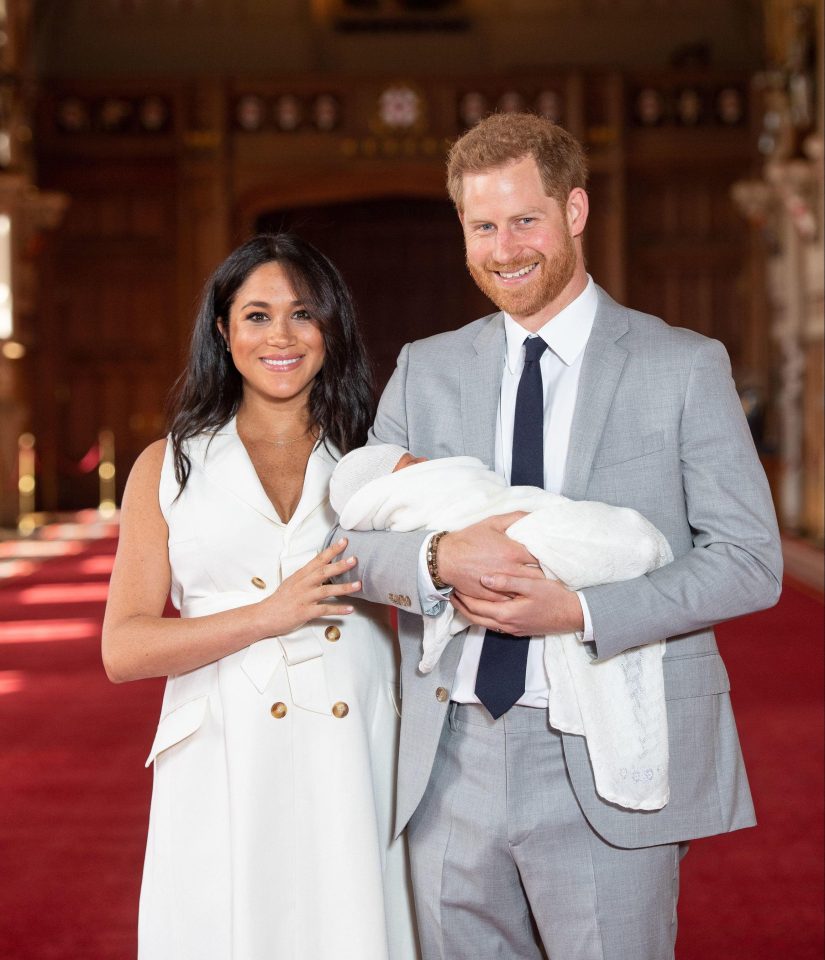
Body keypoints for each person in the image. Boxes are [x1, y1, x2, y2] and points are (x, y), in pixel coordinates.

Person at [332, 113, 783, 960]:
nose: (504, 248)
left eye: (524, 219)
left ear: (574, 211)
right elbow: (349, 540)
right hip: (447, 753)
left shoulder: (681, 364)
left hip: (605, 745)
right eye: (482, 226)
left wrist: (578, 609)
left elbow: (749, 561)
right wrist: (437, 557)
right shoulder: (425, 367)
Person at [101, 233, 419, 960]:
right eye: (256, 315)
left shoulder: (377, 458)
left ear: (330, 327)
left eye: (303, 314)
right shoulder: (169, 465)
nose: (281, 336)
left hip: (358, 745)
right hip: (221, 753)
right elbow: (124, 649)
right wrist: (265, 615)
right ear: (222, 329)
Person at [329, 442, 674, 811]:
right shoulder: (413, 392)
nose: (427, 462)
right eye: (413, 464)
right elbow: (344, 549)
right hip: (451, 739)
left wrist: (581, 611)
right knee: (598, 542)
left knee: (609, 539)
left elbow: (740, 554)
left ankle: (631, 544)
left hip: (573, 730)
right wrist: (439, 558)